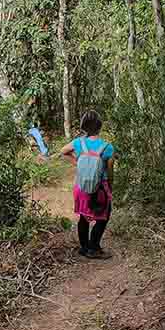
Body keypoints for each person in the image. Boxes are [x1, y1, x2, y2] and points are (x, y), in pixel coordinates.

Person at [60, 110, 114, 259]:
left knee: (83, 217)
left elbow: (63, 151)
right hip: (99, 189)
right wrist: (110, 187)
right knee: (103, 217)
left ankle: (84, 248)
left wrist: (77, 161)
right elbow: (109, 172)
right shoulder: (107, 147)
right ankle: (94, 247)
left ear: (84, 126)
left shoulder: (78, 143)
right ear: (100, 126)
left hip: (81, 187)